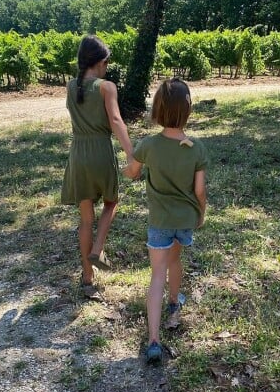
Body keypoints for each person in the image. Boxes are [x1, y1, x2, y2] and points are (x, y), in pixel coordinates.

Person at [124, 78, 208, 364]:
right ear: (189, 110)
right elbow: (199, 190)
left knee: (157, 274)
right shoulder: (196, 148)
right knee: (176, 261)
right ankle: (175, 301)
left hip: (159, 221)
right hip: (185, 220)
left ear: (157, 110)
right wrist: (202, 212)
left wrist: (124, 168)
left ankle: (153, 340)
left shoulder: (148, 145)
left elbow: (133, 172)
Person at [61, 35, 134, 300]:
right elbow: (115, 119)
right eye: (107, 62)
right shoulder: (107, 87)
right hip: (101, 152)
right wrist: (131, 154)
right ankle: (98, 248)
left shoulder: (70, 86)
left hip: (78, 154)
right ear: (100, 62)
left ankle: (87, 278)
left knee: (85, 220)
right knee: (111, 203)